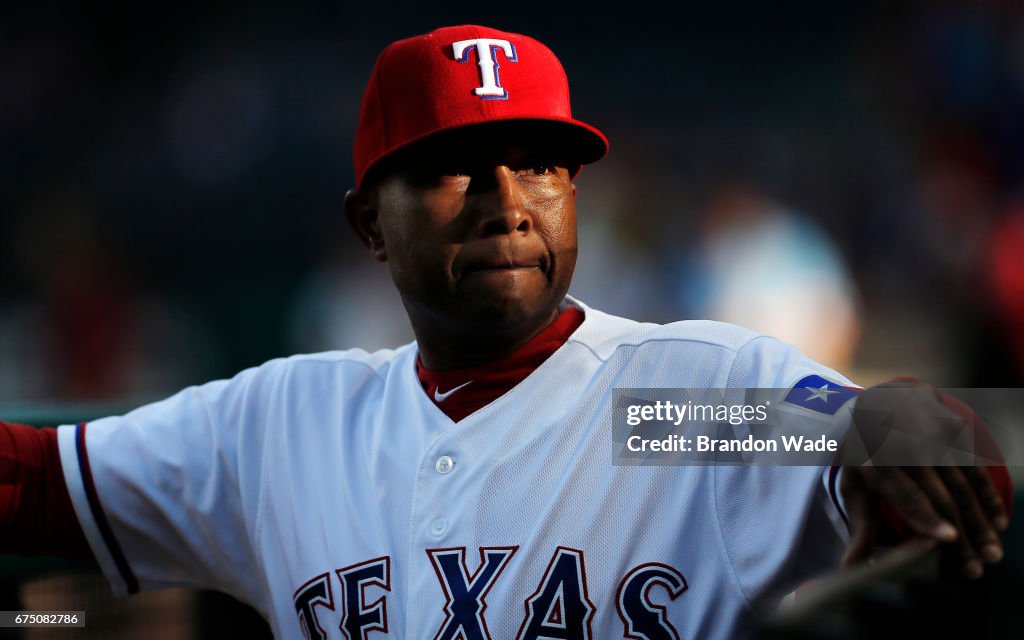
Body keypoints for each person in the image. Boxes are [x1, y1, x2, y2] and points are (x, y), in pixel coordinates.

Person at [0, 24, 1013, 639]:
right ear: (367, 223)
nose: (506, 202)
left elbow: (929, 452)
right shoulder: (284, 425)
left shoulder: (667, 405)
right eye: (453, 168)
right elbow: (32, 484)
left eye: (538, 163)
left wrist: (908, 426)